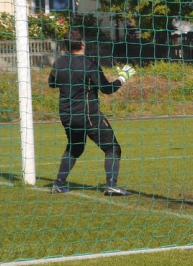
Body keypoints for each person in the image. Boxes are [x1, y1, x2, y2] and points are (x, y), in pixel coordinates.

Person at [48, 29, 135, 195]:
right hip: (88, 115)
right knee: (112, 147)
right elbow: (107, 89)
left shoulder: (59, 63)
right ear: (82, 43)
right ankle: (111, 185)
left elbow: (52, 84)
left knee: (75, 147)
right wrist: (123, 77)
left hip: (67, 115)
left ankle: (58, 184)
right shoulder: (89, 64)